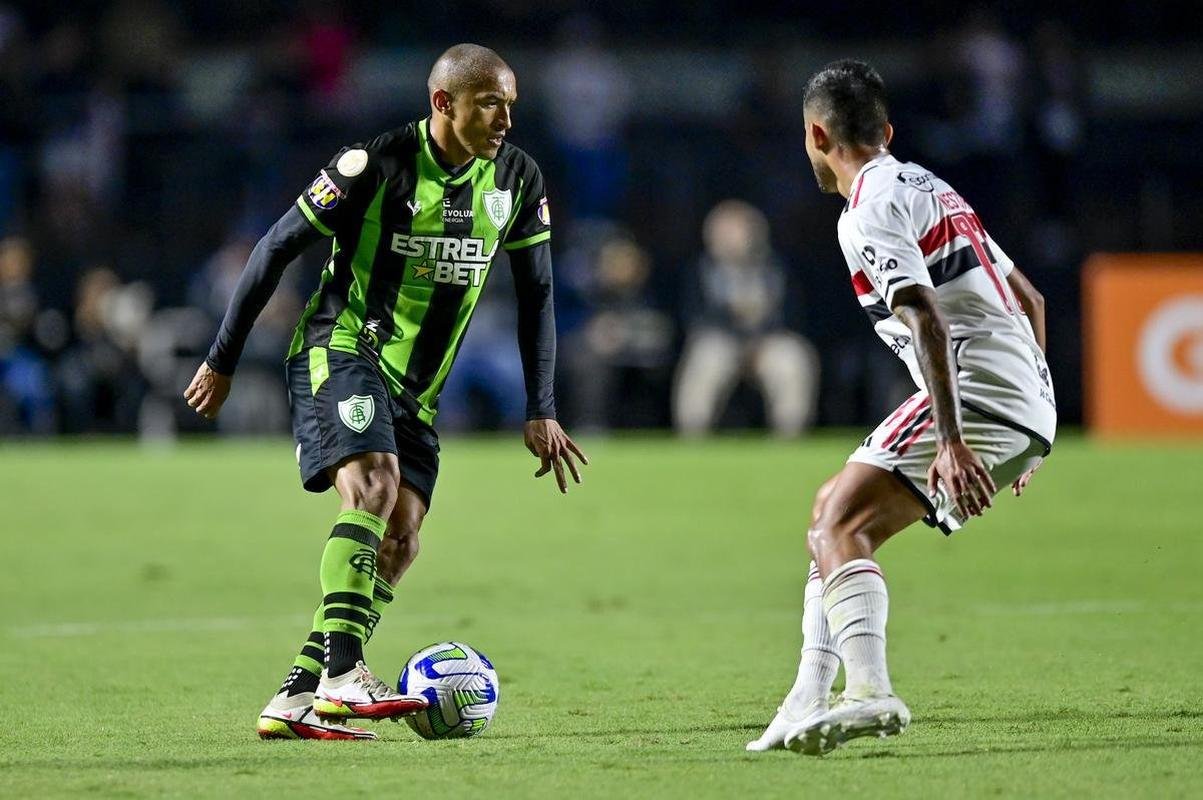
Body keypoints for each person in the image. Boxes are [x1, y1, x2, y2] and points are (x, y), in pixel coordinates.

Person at [184, 44, 588, 741]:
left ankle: (296, 694)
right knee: (373, 485)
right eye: (490, 103)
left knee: (400, 539)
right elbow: (274, 247)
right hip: (340, 348)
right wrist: (222, 360)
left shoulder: (517, 178)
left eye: (510, 105)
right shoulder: (374, 164)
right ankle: (344, 675)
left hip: (417, 391)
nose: (504, 120)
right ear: (443, 103)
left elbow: (538, 294)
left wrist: (540, 407)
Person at [747, 60, 1054, 756]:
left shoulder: (869, 208)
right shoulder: (930, 186)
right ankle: (806, 694)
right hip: (1021, 399)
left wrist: (952, 440)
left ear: (815, 135)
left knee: (838, 523)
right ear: (886, 132)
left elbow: (925, 317)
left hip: (976, 393)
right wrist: (1033, 418)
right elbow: (1031, 298)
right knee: (832, 514)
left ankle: (868, 691)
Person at [673, 200, 817, 437]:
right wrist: (737, 337)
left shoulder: (774, 268)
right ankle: (693, 433)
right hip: (722, 343)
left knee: (793, 356)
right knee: (706, 356)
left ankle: (790, 433)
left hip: (766, 343)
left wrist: (758, 342)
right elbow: (695, 319)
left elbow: (791, 316)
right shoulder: (700, 270)